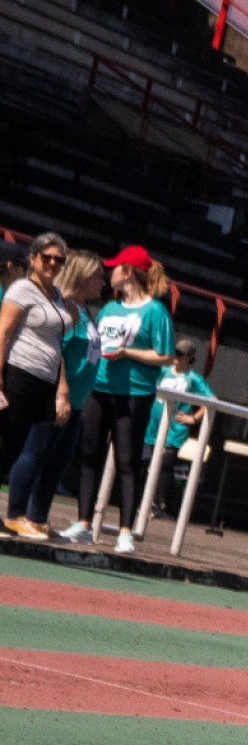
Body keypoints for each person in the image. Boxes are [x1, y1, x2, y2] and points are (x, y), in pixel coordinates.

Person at [59, 248, 174, 553]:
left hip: (134, 393)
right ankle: (83, 523)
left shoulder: (155, 312)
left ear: (128, 271)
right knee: (89, 454)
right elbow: (96, 344)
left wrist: (128, 354)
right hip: (100, 388)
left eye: (114, 268)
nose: (108, 274)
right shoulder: (109, 308)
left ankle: (125, 531)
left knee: (127, 459)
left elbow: (165, 356)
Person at [4, 241, 96, 540]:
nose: (104, 282)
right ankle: (16, 515)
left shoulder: (75, 309)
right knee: (26, 450)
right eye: (99, 276)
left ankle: (36, 518)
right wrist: (62, 392)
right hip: (37, 384)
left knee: (50, 457)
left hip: (65, 394)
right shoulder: (38, 299)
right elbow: (56, 351)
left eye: (60, 259)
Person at [0, 233, 76, 521]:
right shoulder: (22, 289)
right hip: (20, 372)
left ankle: (14, 516)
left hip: (44, 379)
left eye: (59, 259)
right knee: (6, 444)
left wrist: (62, 388)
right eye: (47, 257)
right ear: (33, 258)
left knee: (19, 447)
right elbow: (3, 333)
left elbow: (57, 344)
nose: (53, 263)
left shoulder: (56, 296)